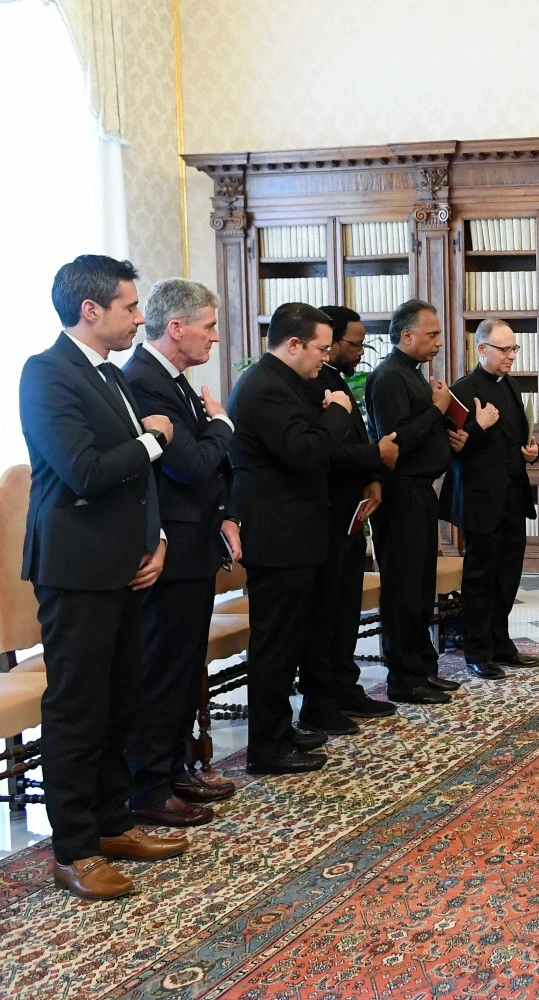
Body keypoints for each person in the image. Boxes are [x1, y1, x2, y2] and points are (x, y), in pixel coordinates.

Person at [22, 255, 186, 899]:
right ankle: (75, 848)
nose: (139, 317)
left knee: (123, 699)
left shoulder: (110, 373)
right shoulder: (46, 373)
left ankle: (114, 822)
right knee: (78, 710)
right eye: (129, 306)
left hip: (127, 564)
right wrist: (155, 440)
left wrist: (159, 538)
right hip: (76, 569)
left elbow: (134, 483)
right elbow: (83, 471)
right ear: (90, 311)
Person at [121, 278, 238, 826]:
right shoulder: (144, 381)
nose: (215, 338)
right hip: (167, 550)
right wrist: (221, 424)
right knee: (162, 671)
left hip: (195, 543)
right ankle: (149, 787)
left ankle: (173, 769)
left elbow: (212, 463)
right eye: (209, 327)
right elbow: (189, 464)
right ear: (177, 328)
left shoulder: (178, 380)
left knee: (184, 665)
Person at [228, 302, 356, 774]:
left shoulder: (287, 382)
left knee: (292, 640)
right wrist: (338, 412)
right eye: (322, 348)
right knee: (276, 645)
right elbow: (304, 453)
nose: (327, 357)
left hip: (297, 534)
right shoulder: (266, 388)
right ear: (294, 344)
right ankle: (266, 747)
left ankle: (281, 730)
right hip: (278, 537)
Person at [298, 305, 399, 734]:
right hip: (324, 512)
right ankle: (322, 699)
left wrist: (371, 477)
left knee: (345, 610)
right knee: (327, 613)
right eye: (354, 343)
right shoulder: (310, 383)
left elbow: (353, 435)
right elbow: (328, 450)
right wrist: (374, 457)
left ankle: (344, 685)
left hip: (350, 510)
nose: (361, 351)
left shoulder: (335, 379)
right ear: (331, 340)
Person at [367, 299, 458, 704]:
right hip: (400, 492)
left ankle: (423, 668)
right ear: (406, 336)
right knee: (404, 587)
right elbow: (397, 439)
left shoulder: (416, 376)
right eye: (432, 334)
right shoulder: (388, 377)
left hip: (421, 491)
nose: (439, 342)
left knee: (422, 586)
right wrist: (437, 411)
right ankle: (404, 678)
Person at [441, 319, 539, 678]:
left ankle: (501, 643)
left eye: (515, 348)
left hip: (513, 495)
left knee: (508, 575)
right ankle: (477, 651)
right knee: (481, 577)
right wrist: (477, 427)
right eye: (504, 349)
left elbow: (515, 439)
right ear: (482, 349)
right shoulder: (461, 391)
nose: (511, 356)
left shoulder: (511, 385)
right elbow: (452, 451)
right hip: (480, 499)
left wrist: (531, 453)